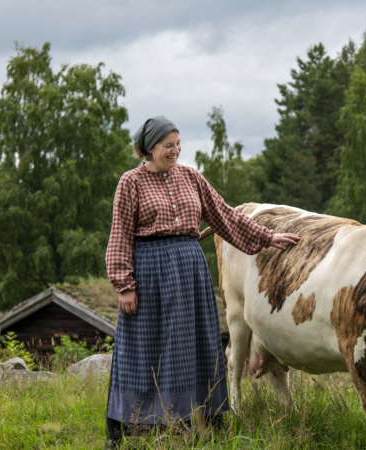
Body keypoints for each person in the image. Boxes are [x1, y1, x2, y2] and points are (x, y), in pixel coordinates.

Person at [104, 115, 300, 447]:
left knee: (193, 343)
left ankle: (200, 417)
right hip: (149, 271)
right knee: (145, 346)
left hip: (189, 268)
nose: (175, 151)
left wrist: (267, 237)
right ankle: (134, 423)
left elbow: (225, 216)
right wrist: (124, 285)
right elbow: (120, 235)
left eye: (178, 144)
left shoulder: (192, 177)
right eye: (168, 146)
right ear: (149, 149)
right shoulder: (130, 183)